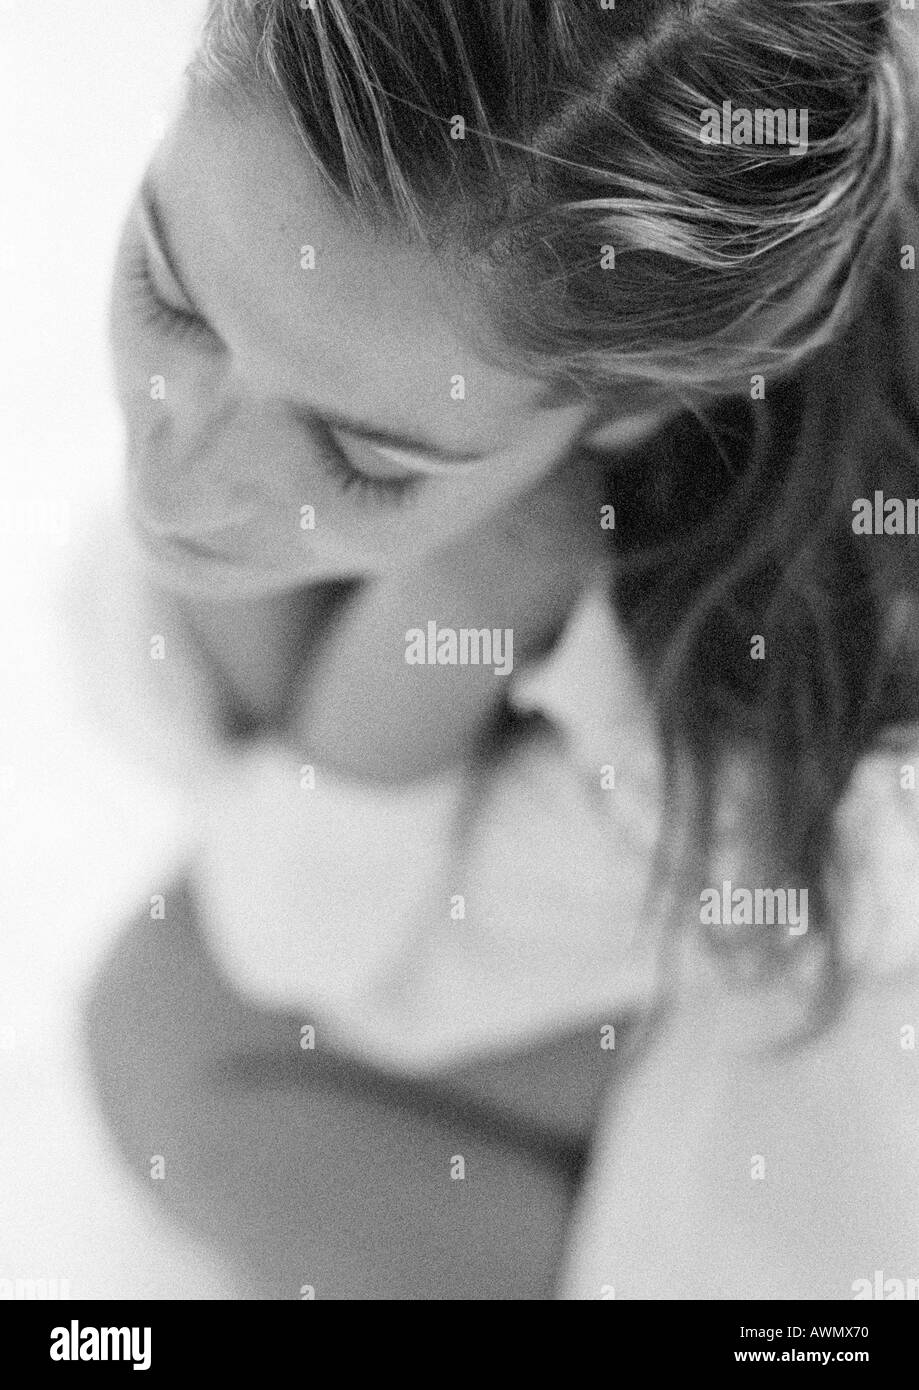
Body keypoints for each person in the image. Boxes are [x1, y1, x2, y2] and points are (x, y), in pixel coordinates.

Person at [75, 0, 919, 1298]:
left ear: (637, 409)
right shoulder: (384, 316)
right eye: (171, 293)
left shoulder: (760, 729)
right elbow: (129, 646)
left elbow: (298, 948)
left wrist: (461, 594)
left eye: (364, 452)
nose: (181, 479)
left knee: (172, 1045)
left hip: (842, 1014)